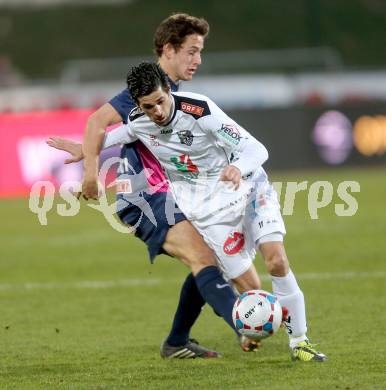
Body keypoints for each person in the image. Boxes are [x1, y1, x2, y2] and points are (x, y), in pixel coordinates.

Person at [52, 62, 327, 362]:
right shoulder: (139, 120)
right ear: (138, 105)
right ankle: (254, 325)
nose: (157, 111)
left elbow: (257, 150)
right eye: (148, 106)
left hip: (246, 188)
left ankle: (300, 342)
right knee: (251, 288)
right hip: (208, 212)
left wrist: (236, 167)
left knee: (276, 260)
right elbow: (120, 134)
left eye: (160, 101)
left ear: (168, 90)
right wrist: (86, 149)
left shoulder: (200, 111)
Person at [49, 13, 262, 359]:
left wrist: (93, 147)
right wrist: (90, 173)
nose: (198, 59)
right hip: (145, 196)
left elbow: (128, 132)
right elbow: (97, 120)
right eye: (191, 51)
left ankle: (177, 342)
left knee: (211, 255)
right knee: (205, 256)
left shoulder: (175, 92)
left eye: (200, 51)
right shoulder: (152, 84)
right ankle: (246, 327)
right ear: (168, 49)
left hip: (170, 193)